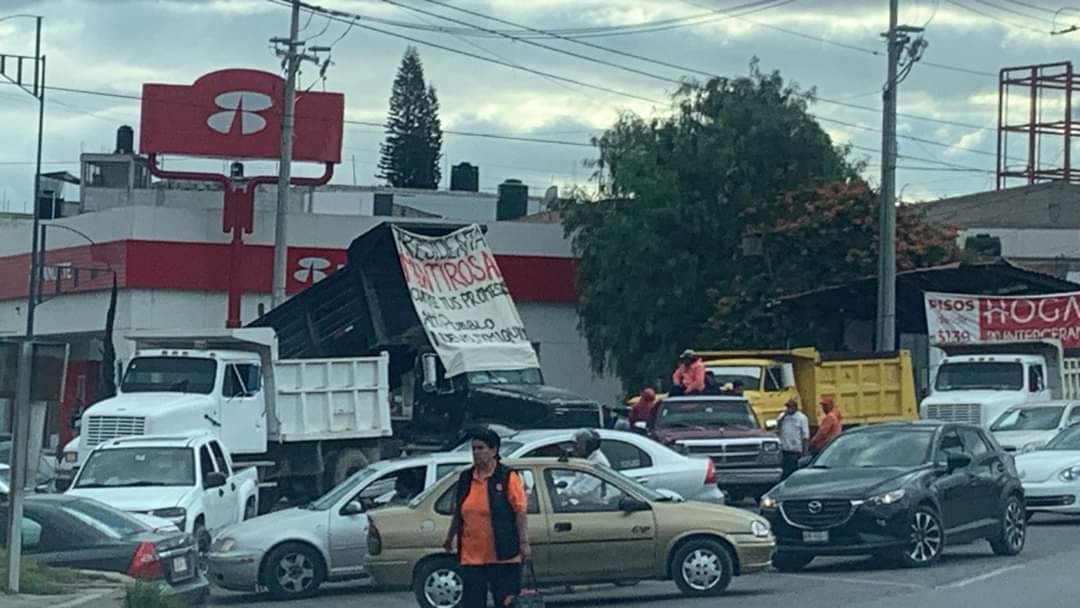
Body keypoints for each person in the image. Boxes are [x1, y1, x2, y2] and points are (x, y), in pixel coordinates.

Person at [443, 428, 531, 608]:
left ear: (494, 451)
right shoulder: (466, 477)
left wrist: (524, 543)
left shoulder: (507, 477)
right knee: (473, 603)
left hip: (503, 555)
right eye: (473, 449)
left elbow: (520, 511)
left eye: (480, 448)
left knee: (505, 602)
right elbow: (459, 511)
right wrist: (449, 538)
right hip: (472, 557)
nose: (476, 453)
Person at [776, 399, 810, 480]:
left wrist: (804, 451)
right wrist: (784, 416)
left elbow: (805, 436)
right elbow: (777, 427)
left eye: (791, 407)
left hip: (795, 450)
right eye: (788, 407)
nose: (789, 409)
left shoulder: (802, 418)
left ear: (795, 407)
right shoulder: (782, 416)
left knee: (791, 472)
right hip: (784, 449)